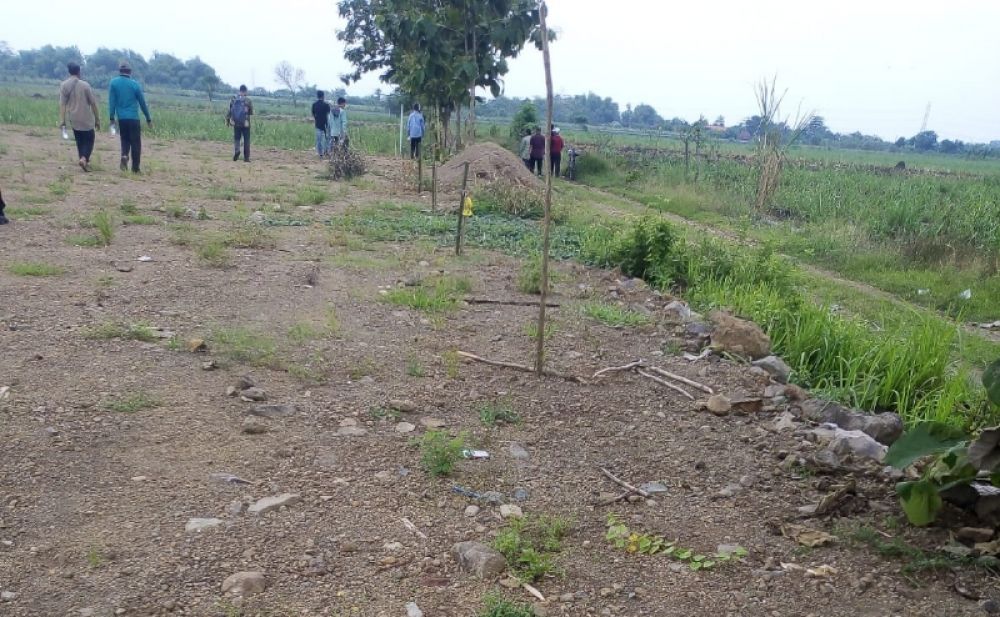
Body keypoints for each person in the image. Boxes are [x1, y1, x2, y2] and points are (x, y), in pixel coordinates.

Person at [108, 61, 152, 173]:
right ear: (130, 72)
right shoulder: (135, 85)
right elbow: (142, 103)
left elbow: (112, 102)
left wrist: (112, 118)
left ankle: (124, 156)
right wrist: (148, 118)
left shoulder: (113, 83)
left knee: (125, 140)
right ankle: (135, 168)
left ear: (119, 71)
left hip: (122, 118)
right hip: (134, 118)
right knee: (136, 143)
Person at [59, 62, 100, 172]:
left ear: (69, 72)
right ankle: (84, 158)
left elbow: (62, 104)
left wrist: (62, 121)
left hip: (73, 117)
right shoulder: (85, 85)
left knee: (79, 140)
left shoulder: (64, 85)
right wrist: (97, 119)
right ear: (79, 71)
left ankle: (83, 159)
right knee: (89, 139)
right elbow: (93, 104)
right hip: (86, 118)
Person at [226, 85, 254, 162]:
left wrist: (228, 121)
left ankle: (237, 151)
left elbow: (229, 111)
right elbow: (251, 112)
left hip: (236, 123)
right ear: (245, 91)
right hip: (246, 123)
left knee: (237, 138)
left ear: (239, 90)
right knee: (246, 140)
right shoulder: (248, 100)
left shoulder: (234, 99)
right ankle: (246, 158)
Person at [311, 91, 331, 157]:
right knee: (327, 139)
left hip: (318, 124)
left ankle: (320, 154)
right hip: (325, 124)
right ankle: (327, 152)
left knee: (319, 140)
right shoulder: (326, 105)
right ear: (323, 96)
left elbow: (313, 114)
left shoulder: (314, 104)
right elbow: (329, 114)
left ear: (317, 96)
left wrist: (316, 119)